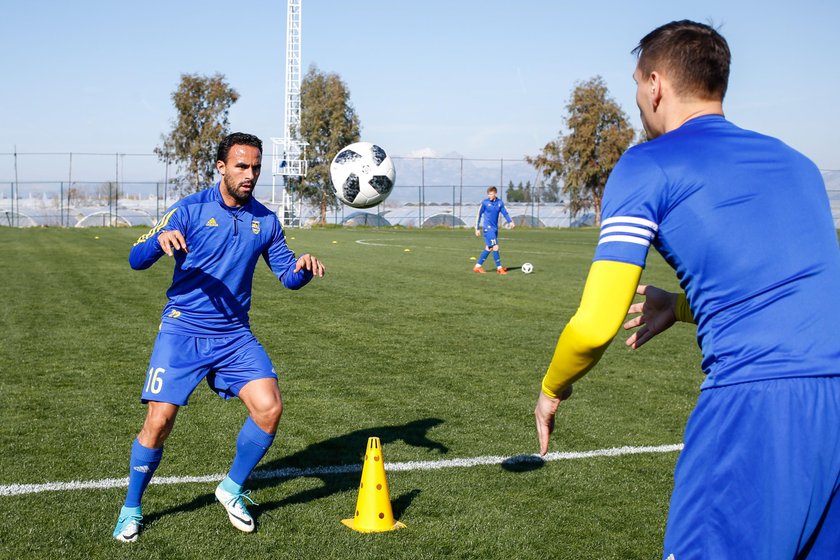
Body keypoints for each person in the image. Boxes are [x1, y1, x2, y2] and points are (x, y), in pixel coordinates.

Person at [534, 20, 840, 559]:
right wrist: (676, 307)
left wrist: (553, 387)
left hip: (759, 407)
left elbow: (596, 323)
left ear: (654, 85)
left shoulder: (647, 164)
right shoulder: (798, 165)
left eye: (635, 84)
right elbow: (790, 293)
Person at [112, 132, 325, 542]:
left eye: (256, 167)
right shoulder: (189, 209)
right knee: (158, 422)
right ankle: (131, 507)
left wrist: (302, 268)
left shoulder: (266, 220)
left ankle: (231, 489)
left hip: (233, 334)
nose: (250, 174)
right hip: (183, 328)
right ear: (221, 167)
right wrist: (159, 242)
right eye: (242, 166)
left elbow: (286, 276)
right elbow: (135, 259)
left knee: (269, 407)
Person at [473, 186, 514, 274]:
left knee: (489, 248)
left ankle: (477, 267)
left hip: (495, 229)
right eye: (488, 194)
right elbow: (478, 215)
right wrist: (477, 228)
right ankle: (499, 268)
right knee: (495, 246)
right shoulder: (485, 203)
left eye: (491, 194)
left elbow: (505, 213)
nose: (489, 196)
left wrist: (510, 221)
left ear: (495, 193)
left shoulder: (500, 203)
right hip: (488, 229)